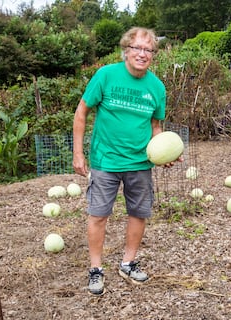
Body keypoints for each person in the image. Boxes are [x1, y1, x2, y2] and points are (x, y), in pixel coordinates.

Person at [72, 27, 178, 296]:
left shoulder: (156, 87)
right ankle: (96, 269)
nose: (143, 54)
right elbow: (81, 112)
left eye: (148, 50)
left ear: (153, 54)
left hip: (140, 163)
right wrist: (78, 152)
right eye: (137, 48)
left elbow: (156, 125)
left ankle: (128, 263)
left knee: (139, 213)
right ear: (126, 51)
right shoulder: (106, 75)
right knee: (98, 215)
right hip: (105, 161)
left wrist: (162, 151)